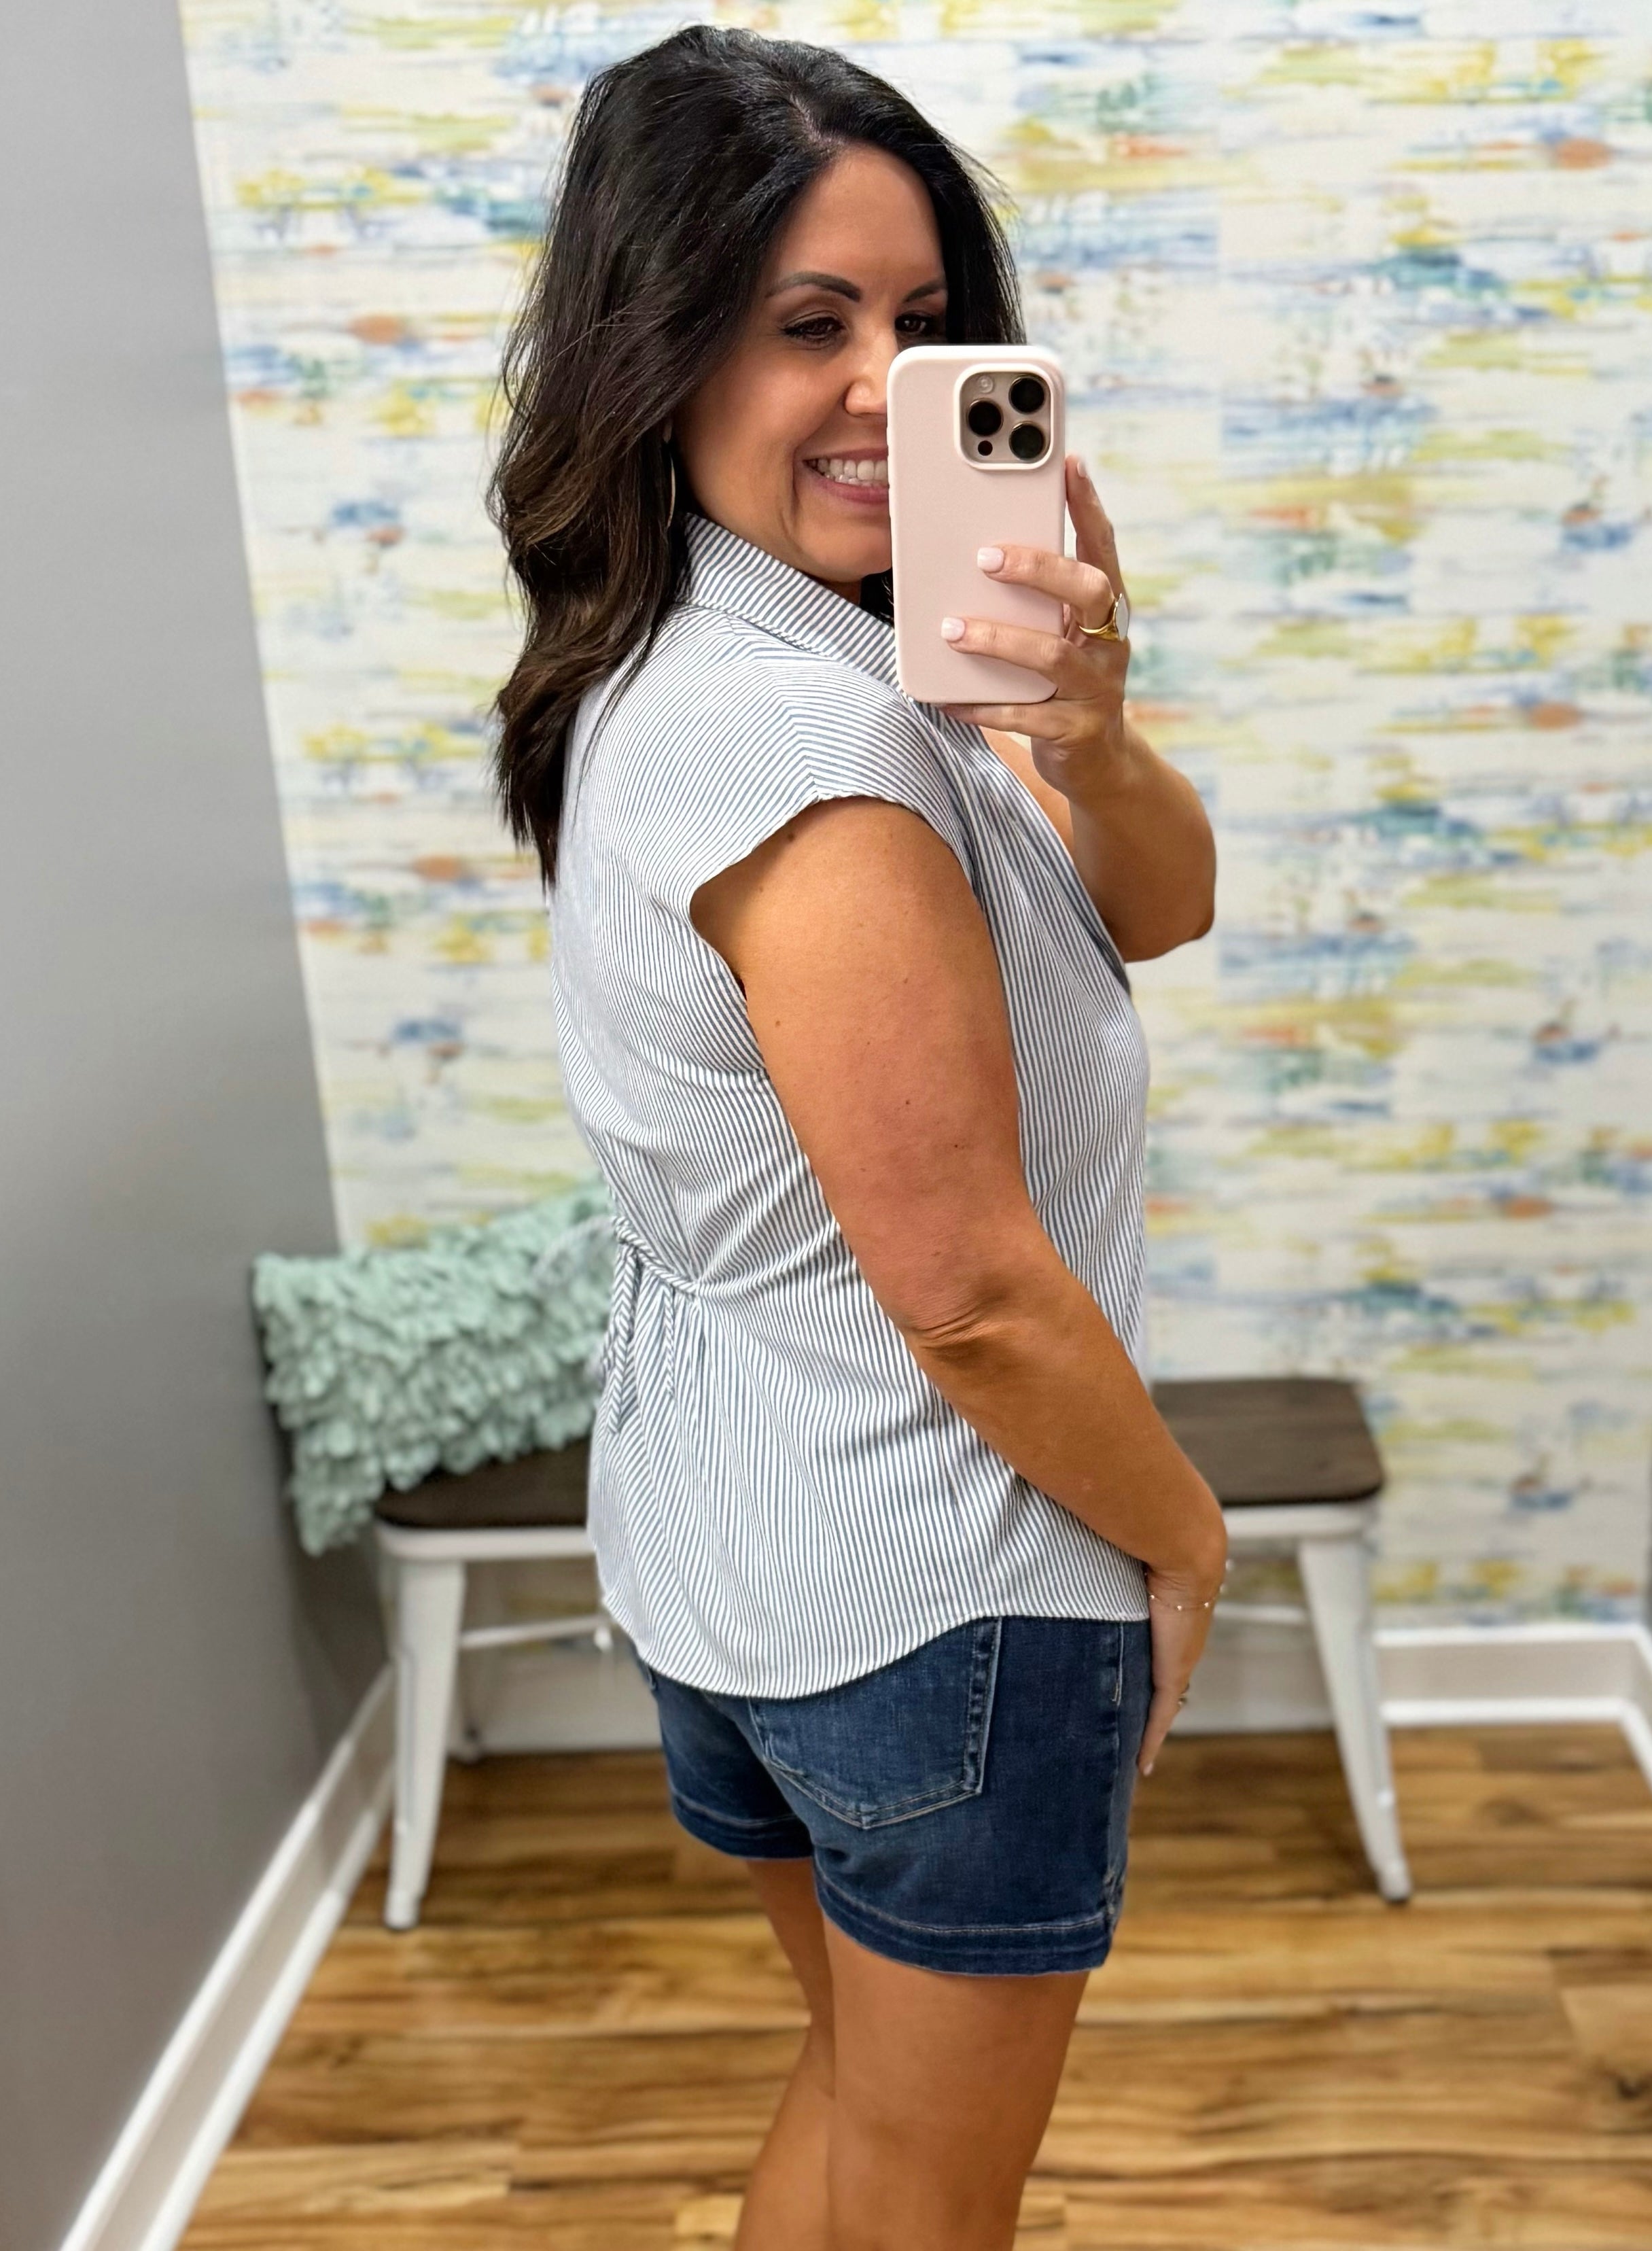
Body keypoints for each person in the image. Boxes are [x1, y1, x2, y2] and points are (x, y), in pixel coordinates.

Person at [491, 27, 1227, 2249]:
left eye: (924, 329)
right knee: (934, 2201)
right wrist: (1184, 1540)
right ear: (658, 337)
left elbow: (1157, 912)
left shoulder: (712, 652)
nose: (881, 389)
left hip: (738, 1557)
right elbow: (974, 1293)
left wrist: (1083, 737)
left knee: (859, 2102)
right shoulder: (812, 743)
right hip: (938, 1593)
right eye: (807, 323)